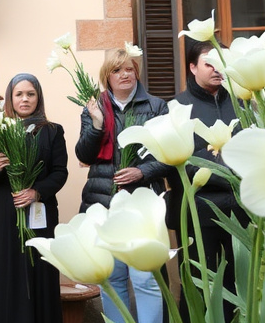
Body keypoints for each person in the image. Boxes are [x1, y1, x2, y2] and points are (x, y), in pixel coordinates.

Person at [74, 47, 168, 323]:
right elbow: (83, 155)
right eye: (117, 70)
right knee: (112, 279)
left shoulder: (156, 106)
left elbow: (167, 155)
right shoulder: (93, 108)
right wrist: (97, 125)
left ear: (136, 73)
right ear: (107, 77)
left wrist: (141, 172)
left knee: (145, 278)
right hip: (104, 202)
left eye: (129, 69)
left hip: (142, 202)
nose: (124, 74)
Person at [0, 74, 68, 323]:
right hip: (8, 214)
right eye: (19, 94)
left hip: (40, 212)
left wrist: (36, 191)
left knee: (41, 270)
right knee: (10, 274)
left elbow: (60, 172)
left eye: (30, 94)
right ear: (10, 98)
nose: (25, 99)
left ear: (38, 97)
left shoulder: (52, 131)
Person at [169, 39, 244, 322]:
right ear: (192, 67)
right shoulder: (178, 107)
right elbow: (183, 162)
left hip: (239, 213)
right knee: (202, 287)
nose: (216, 70)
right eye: (208, 63)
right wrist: (230, 172)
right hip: (199, 215)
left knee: (238, 286)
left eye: (220, 63)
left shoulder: (240, 103)